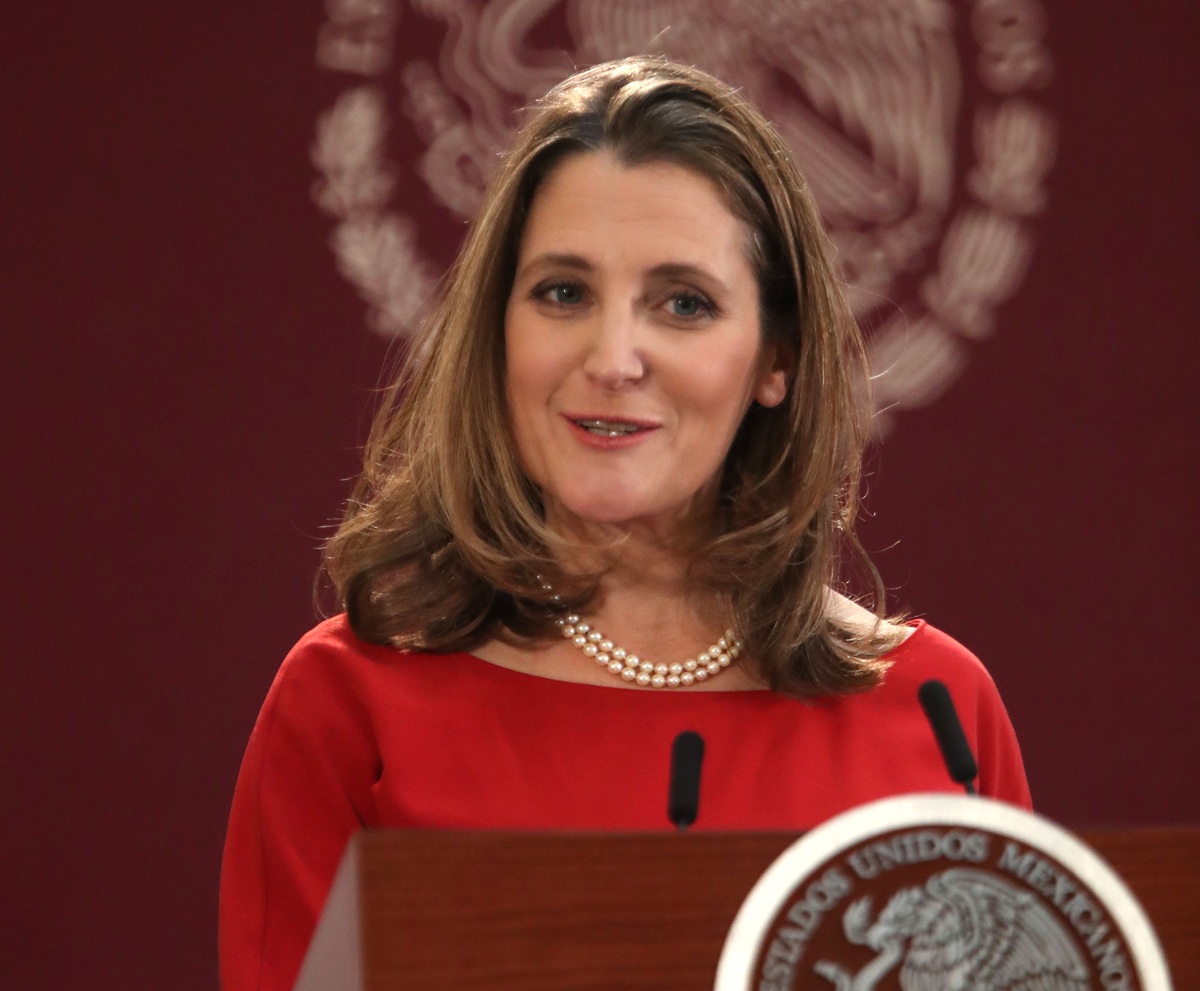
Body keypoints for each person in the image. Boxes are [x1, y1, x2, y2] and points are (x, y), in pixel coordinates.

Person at [219, 56, 1030, 991]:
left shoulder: (939, 712)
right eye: (564, 292)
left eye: (683, 303)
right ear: (500, 330)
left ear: (776, 359)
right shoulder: (351, 700)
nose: (612, 358)